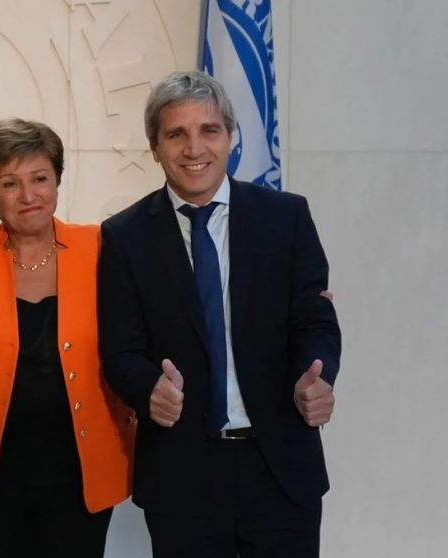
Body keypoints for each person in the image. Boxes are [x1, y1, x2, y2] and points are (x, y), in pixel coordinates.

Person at [97, 70, 342, 557]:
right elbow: (121, 350)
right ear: (154, 147)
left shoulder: (285, 217)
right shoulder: (125, 236)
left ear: (230, 136)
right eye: (176, 134)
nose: (194, 148)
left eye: (208, 130)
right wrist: (149, 389)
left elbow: (314, 321)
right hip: (182, 475)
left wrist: (316, 378)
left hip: (279, 468)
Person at [0, 119, 135, 558]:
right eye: (10, 183)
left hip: (81, 467)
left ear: (57, 180)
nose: (28, 196)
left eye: (40, 178)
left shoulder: (102, 247)